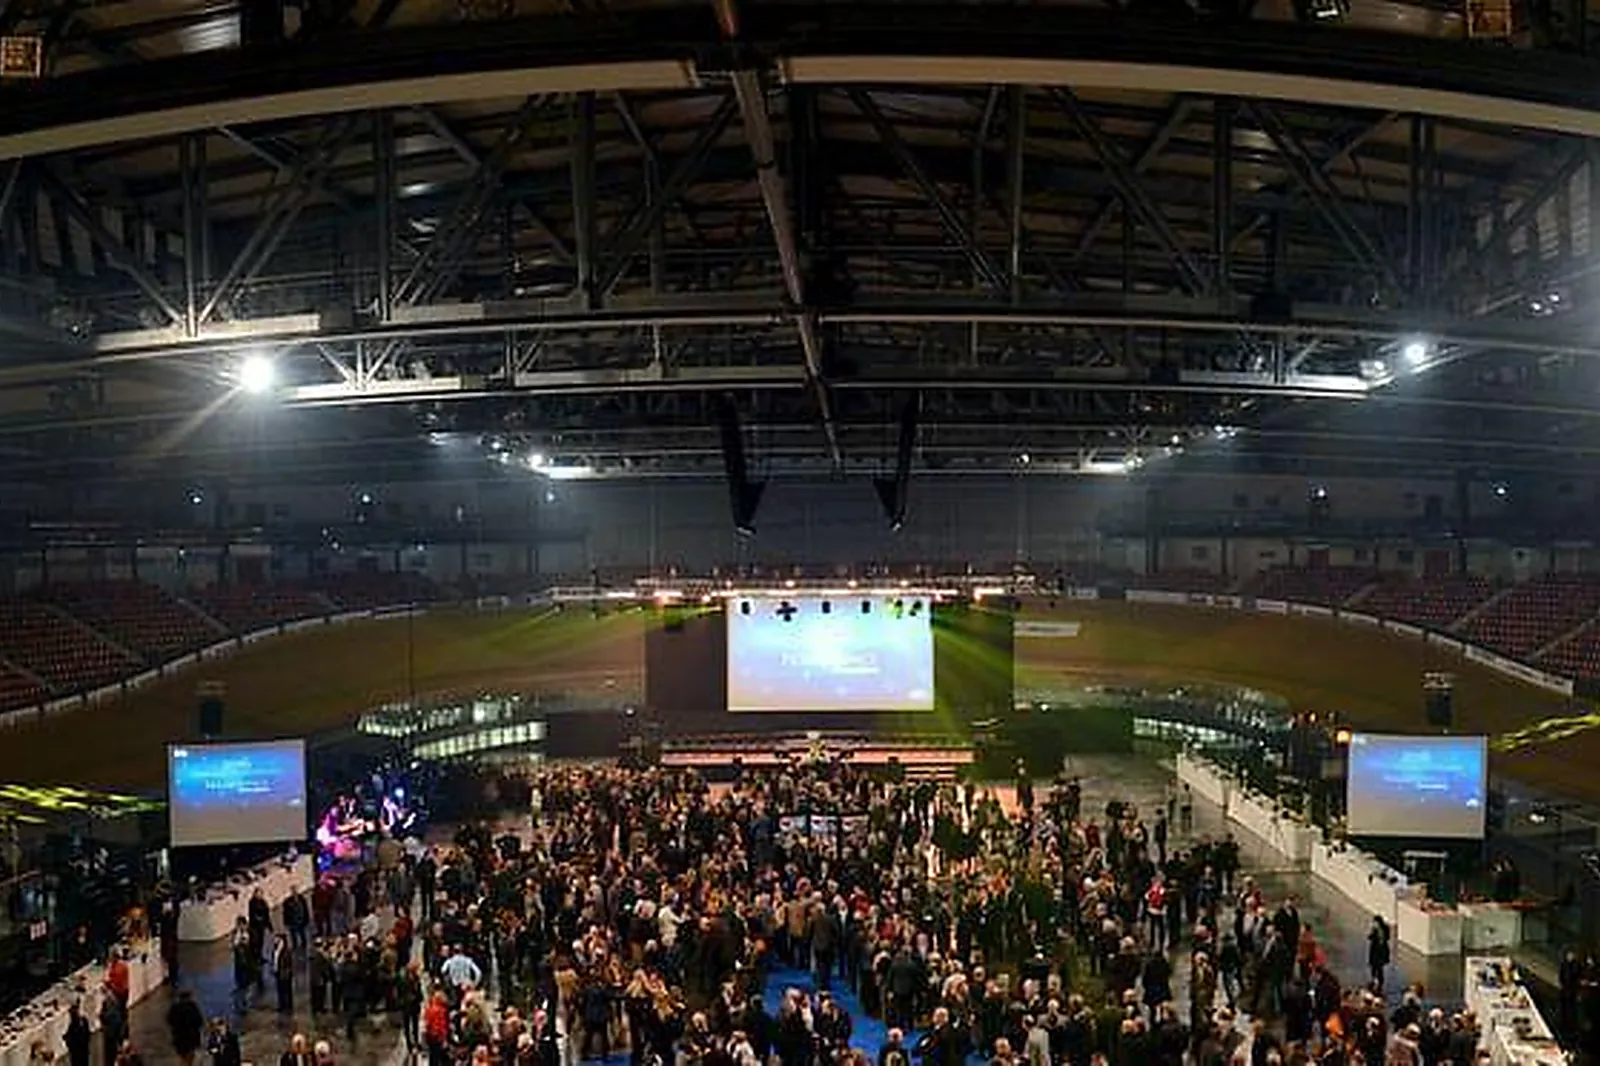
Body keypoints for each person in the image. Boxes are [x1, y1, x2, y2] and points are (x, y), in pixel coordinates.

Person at [166, 990, 205, 1066]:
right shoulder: (192, 1006)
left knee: (183, 1056)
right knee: (190, 1055)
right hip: (191, 1036)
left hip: (178, 1036)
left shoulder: (175, 1007)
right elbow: (199, 1021)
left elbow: (169, 1021)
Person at [1367, 915, 1391, 993]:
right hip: (1376, 950)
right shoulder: (1375, 929)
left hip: (1380, 950)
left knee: (1379, 966)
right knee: (1374, 966)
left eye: (1375, 922)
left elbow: (1387, 937)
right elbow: (1370, 937)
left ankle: (1378, 981)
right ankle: (1375, 979)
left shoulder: (1384, 928)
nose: (1374, 923)